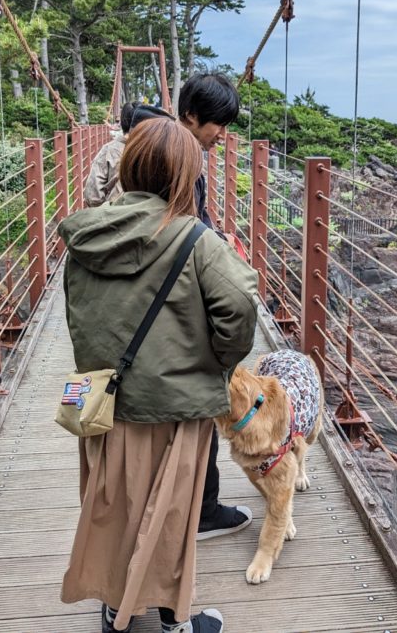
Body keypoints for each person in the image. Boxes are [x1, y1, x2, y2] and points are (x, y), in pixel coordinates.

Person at [59, 117, 258, 633]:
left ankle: (113, 606)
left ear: (127, 168)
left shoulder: (85, 235)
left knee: (111, 507)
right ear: (185, 175)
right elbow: (239, 306)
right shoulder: (196, 240)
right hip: (173, 406)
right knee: (171, 513)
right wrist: (217, 360)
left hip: (100, 400)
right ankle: (175, 623)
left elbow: (80, 317)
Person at [175, 73, 252, 540]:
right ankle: (200, 513)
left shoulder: (161, 150)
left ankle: (196, 508)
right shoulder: (181, 163)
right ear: (190, 117)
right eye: (217, 124)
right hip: (182, 315)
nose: (222, 134)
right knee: (201, 405)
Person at [84, 102, 137, 206]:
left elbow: (93, 196)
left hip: (114, 213)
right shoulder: (154, 151)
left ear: (122, 122)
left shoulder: (108, 150)